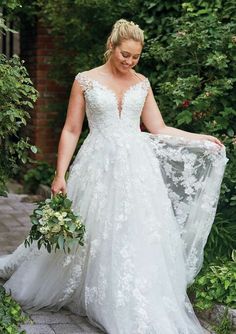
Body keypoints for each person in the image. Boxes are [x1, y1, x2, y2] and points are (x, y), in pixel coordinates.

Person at [0, 19, 227, 333]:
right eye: (125, 54)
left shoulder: (142, 83)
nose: (130, 61)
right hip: (97, 165)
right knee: (96, 229)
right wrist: (59, 175)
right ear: (112, 46)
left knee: (135, 231)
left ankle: (130, 294)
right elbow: (71, 129)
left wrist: (199, 137)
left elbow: (158, 128)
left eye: (135, 57)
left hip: (137, 168)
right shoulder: (85, 80)